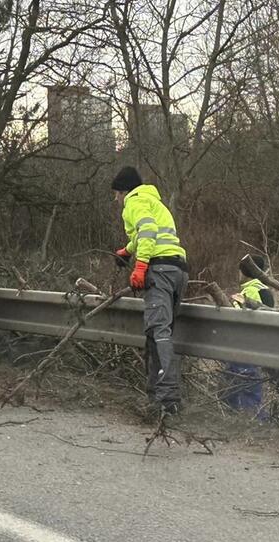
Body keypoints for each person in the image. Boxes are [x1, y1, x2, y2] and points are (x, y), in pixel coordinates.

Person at [111, 165, 188, 416]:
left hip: (160, 270)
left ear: (125, 191)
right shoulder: (154, 202)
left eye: (116, 193)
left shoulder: (134, 202)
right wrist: (128, 251)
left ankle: (167, 398)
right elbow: (150, 232)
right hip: (178, 271)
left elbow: (148, 231)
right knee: (160, 333)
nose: (116, 199)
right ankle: (157, 395)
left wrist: (141, 265)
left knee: (158, 331)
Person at [221, 254, 274, 418]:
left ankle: (255, 419)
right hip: (259, 341)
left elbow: (241, 318)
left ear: (243, 272)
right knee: (236, 379)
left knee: (245, 379)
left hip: (245, 342)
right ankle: (238, 415)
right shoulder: (264, 288)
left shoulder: (250, 290)